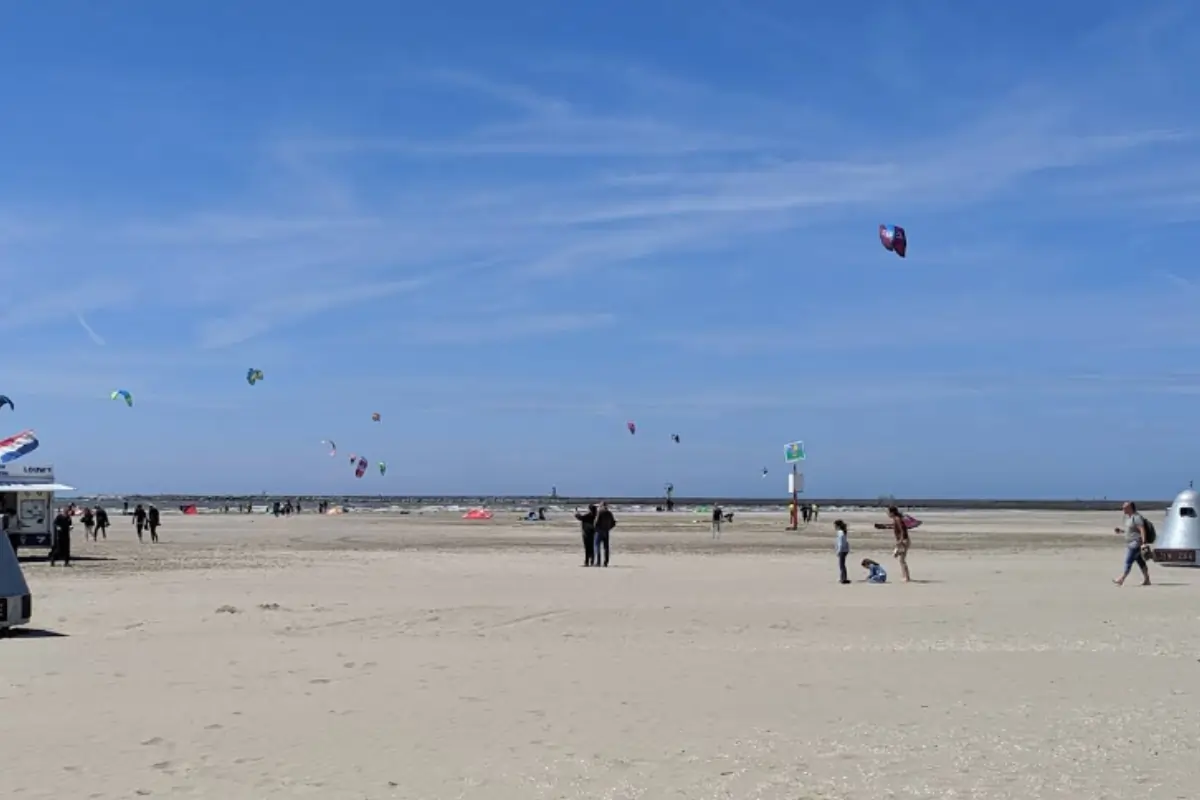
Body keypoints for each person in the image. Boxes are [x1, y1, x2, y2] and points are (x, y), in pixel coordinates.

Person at [1113, 500, 1152, 586]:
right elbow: (1130, 531)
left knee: (1128, 561)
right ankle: (1147, 579)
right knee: (1140, 562)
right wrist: (1121, 531)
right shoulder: (1129, 518)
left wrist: (1144, 543)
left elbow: (1142, 530)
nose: (1123, 508)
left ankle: (1121, 579)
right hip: (1131, 543)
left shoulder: (1137, 517)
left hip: (1135, 543)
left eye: (1125, 507)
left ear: (1130, 508)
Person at [887, 505, 911, 582]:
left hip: (903, 540)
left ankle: (906, 577)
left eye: (889, 512)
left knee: (902, 560)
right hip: (902, 540)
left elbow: (902, 530)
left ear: (892, 512)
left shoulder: (897, 519)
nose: (888, 514)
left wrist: (900, 540)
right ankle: (905, 576)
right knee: (901, 559)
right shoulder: (896, 519)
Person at [593, 501, 616, 567]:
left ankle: (598, 562)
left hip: (599, 531)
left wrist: (596, 529)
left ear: (602, 505)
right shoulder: (609, 513)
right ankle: (606, 562)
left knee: (597, 546)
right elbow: (613, 523)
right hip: (606, 531)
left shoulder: (600, 512)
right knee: (606, 547)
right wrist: (608, 528)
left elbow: (596, 523)